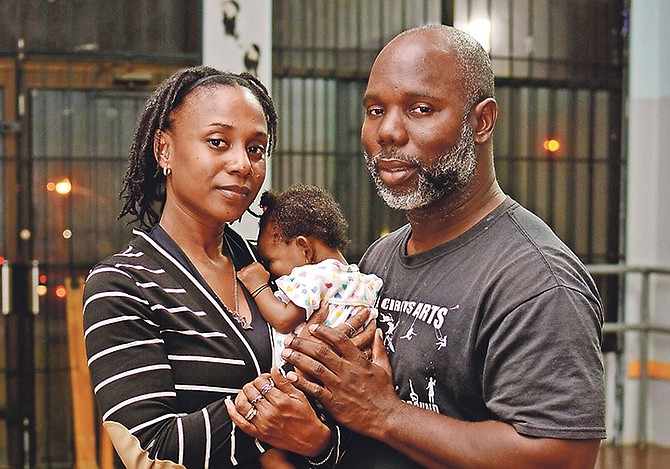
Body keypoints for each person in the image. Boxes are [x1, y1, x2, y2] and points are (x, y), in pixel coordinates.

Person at [278, 25, 606, 468]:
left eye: (420, 109)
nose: (387, 132)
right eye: (375, 110)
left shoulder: (535, 281)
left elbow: (561, 459)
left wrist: (384, 415)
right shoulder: (380, 259)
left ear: (481, 121)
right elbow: (354, 411)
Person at [82, 66, 371, 469]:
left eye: (256, 149)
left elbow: (347, 420)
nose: (242, 164)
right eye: (218, 142)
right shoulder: (123, 285)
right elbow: (151, 452)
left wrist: (319, 442)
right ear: (164, 149)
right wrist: (280, 400)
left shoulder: (271, 268)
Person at [236, 184, 383, 368]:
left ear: (304, 248)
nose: (268, 269)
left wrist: (257, 286)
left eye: (271, 261)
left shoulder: (313, 278)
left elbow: (283, 320)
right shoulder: (360, 280)